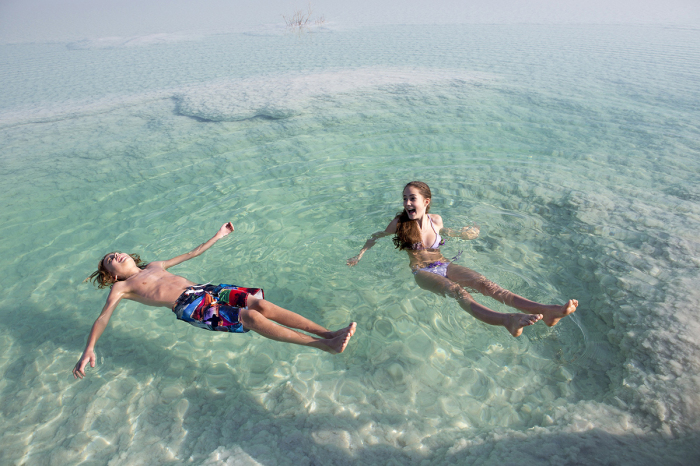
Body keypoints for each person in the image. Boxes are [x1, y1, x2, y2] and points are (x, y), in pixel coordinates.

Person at [73, 222, 356, 379]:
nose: (115, 256)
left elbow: (192, 253)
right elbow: (103, 317)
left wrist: (218, 236)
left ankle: (329, 333)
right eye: (110, 261)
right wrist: (89, 348)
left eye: (115, 253)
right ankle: (325, 346)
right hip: (191, 307)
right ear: (111, 276)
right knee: (250, 318)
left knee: (262, 305)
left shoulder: (156, 265)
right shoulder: (121, 289)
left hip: (208, 289)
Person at [347, 181, 577, 337]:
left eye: (412, 198)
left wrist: (462, 234)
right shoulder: (399, 223)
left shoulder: (436, 220)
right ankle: (507, 320)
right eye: (405, 198)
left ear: (426, 201)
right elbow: (376, 236)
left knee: (485, 284)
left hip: (444, 264)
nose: (407, 203)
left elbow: (445, 233)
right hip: (422, 271)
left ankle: (547, 311)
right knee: (458, 291)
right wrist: (360, 254)